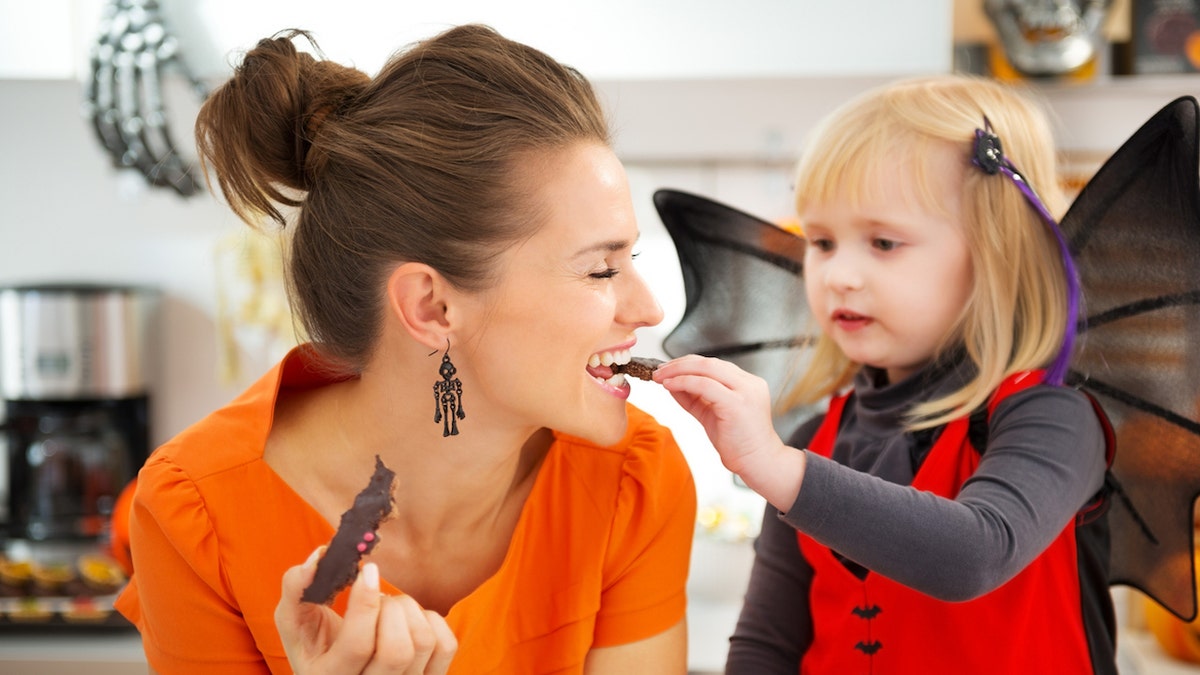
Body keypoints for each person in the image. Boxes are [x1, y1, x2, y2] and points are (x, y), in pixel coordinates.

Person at [114, 24, 696, 675]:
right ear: (431, 307)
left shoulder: (633, 480)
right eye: (600, 269)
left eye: (631, 257)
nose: (650, 310)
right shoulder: (195, 512)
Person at [653, 74, 1117, 673]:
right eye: (821, 241)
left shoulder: (1051, 416)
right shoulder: (812, 440)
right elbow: (767, 644)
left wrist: (777, 469)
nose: (839, 274)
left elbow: (974, 554)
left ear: (996, 253)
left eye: (883, 242)